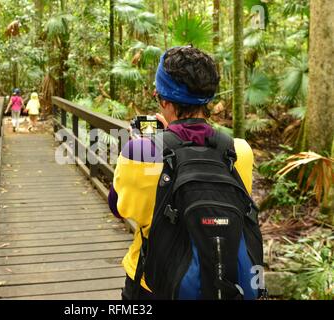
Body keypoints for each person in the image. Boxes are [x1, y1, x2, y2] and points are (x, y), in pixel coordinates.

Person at [108, 46, 256, 300]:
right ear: (208, 97)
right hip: (221, 280)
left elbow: (117, 206)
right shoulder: (239, 151)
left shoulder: (140, 152)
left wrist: (152, 142)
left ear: (163, 99)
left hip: (153, 283)